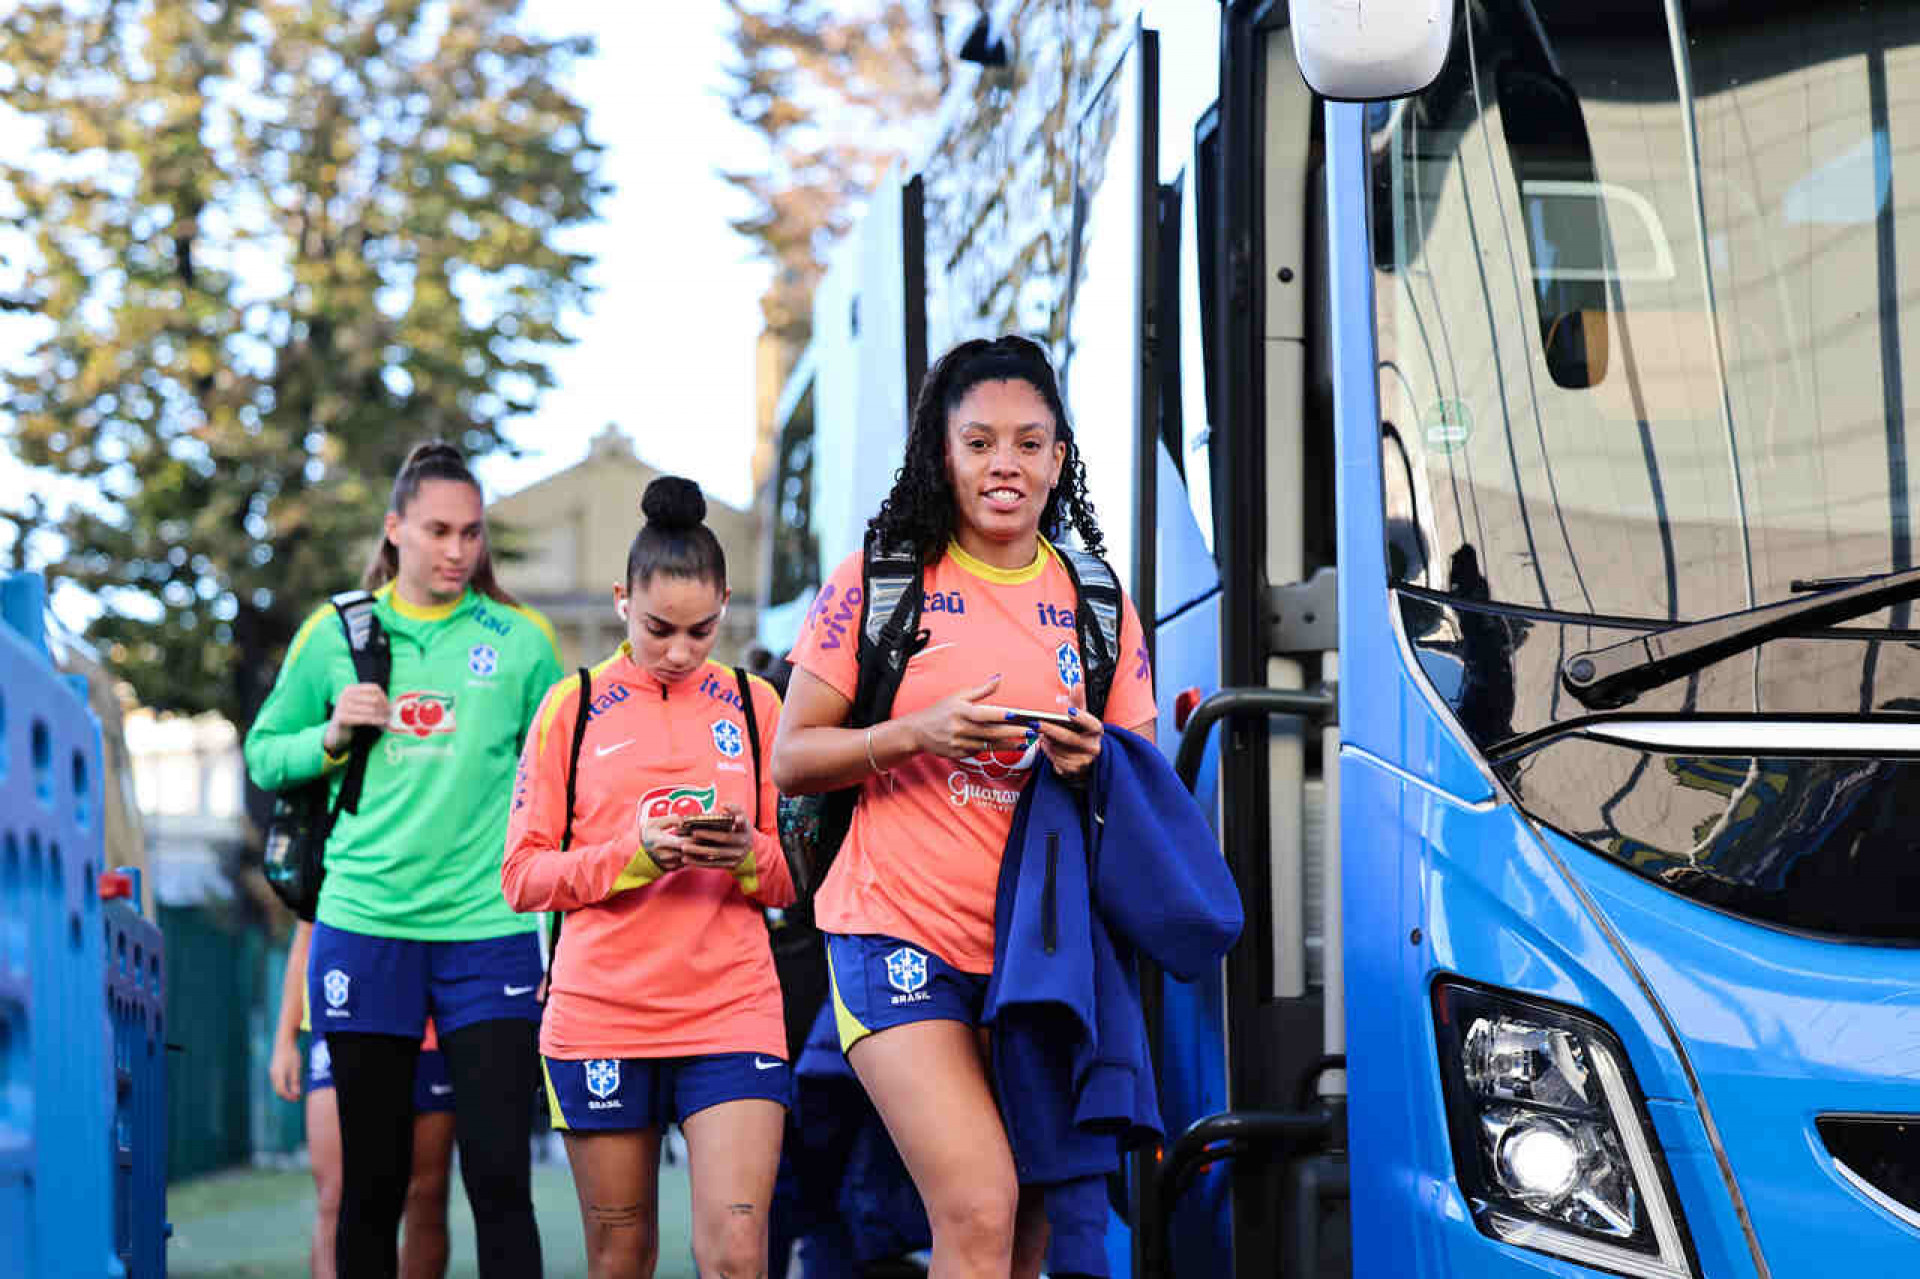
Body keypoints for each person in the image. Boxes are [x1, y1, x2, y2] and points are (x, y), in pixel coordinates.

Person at [771, 335, 1158, 1279]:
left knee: (1021, 1226)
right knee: (979, 1205)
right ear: (941, 454)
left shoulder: (1097, 600)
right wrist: (916, 733)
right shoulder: (884, 579)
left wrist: (1090, 759)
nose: (1005, 466)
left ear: (1060, 457)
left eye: (1030, 443)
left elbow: (1144, 777)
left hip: (1039, 957)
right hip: (892, 932)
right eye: (980, 441)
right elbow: (791, 758)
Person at [244, 440, 562, 1279]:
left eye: (472, 532)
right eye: (438, 531)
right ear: (396, 531)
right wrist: (330, 733)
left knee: (499, 1182)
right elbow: (264, 755)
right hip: (363, 930)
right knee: (372, 1186)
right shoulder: (336, 633)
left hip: (487, 935)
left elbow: (563, 788)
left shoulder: (524, 643)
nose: (458, 550)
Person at [502, 476, 797, 1279]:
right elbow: (522, 877)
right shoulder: (574, 704)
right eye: (659, 627)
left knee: (738, 1254)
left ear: (727, 604)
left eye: (703, 629)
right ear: (621, 600)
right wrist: (631, 854)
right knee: (622, 1256)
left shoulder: (754, 703)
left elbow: (790, 881)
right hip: (602, 1015)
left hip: (732, 1011)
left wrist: (740, 856)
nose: (679, 650)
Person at [268, 919, 455, 1279]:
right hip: (346, 1013)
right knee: (337, 1193)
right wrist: (285, 1039)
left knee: (426, 1194)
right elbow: (306, 928)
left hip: (429, 1021)